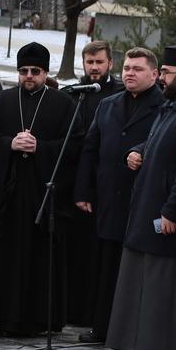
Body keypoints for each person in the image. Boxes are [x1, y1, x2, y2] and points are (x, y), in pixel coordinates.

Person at [101, 46, 176, 350]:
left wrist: (173, 211)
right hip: (146, 202)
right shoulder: (171, 105)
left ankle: (157, 346)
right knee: (138, 276)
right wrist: (135, 151)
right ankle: (133, 342)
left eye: (166, 73)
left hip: (164, 210)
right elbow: (156, 141)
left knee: (161, 280)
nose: (161, 78)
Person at [0, 42, 81, 338]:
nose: (29, 76)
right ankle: (5, 317)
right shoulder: (3, 101)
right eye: (23, 71)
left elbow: (75, 145)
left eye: (35, 71)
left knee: (41, 260)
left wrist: (41, 148)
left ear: (46, 73)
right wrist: (9, 144)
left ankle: (41, 319)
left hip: (44, 197)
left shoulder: (63, 103)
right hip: (9, 197)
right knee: (8, 259)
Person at [73, 46, 162, 346]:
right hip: (108, 197)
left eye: (137, 69)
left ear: (154, 74)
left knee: (133, 267)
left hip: (141, 199)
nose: (130, 73)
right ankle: (102, 326)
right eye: (126, 68)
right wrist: (83, 190)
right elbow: (90, 149)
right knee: (106, 265)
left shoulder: (164, 106)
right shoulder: (108, 104)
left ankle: (129, 330)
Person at [62, 41, 121, 328]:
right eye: (90, 62)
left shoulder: (119, 95)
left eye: (99, 62)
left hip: (106, 185)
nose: (94, 68)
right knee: (75, 252)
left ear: (110, 63)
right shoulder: (74, 94)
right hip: (74, 184)